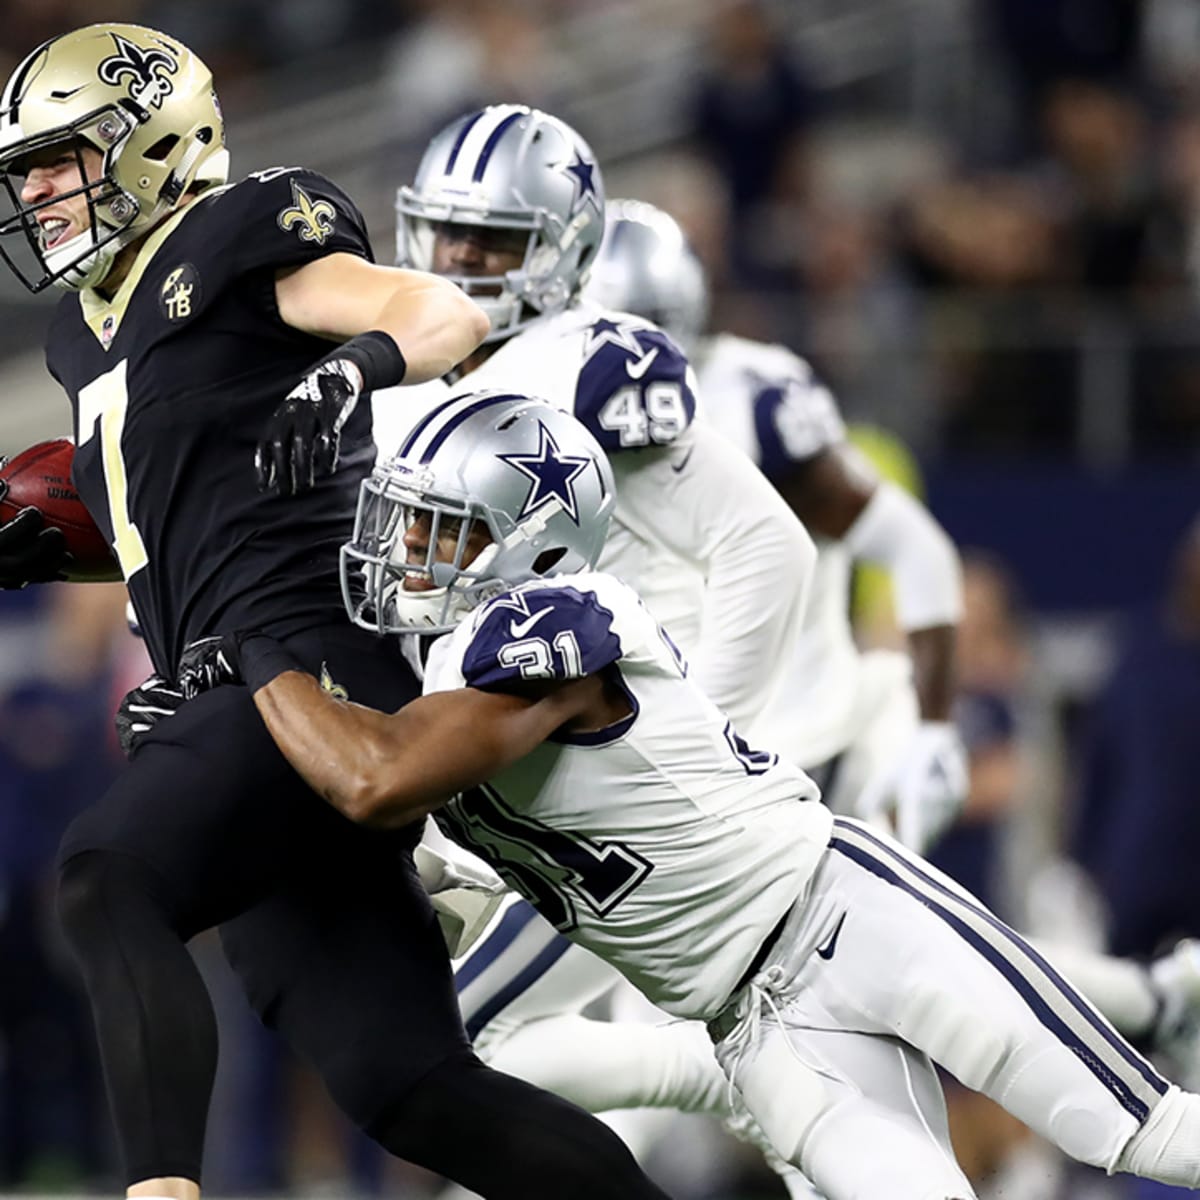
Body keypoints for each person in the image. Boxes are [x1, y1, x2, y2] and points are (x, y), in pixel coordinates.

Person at [173, 389, 1200, 1200]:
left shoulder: (560, 621)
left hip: (842, 915)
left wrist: (254, 656)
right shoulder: (445, 677)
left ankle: (1167, 1000)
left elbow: (374, 774)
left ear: (525, 542)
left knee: (1142, 1132)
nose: (405, 555)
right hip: (750, 1025)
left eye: (440, 533)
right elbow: (380, 805)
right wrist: (212, 709)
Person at [0, 24, 673, 1200]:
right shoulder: (83, 331)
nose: (39, 191)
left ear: (152, 140)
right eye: (28, 171)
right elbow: (188, 507)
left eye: (62, 158)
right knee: (407, 1082)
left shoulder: (237, 232)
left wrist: (358, 364)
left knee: (109, 875)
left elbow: (434, 306)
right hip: (230, 686)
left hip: (311, 663)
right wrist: (79, 543)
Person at [585, 197, 967, 854]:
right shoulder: (534, 411)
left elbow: (916, 549)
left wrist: (931, 732)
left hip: (799, 762)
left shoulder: (751, 399)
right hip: (655, 774)